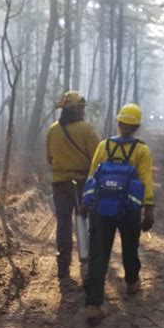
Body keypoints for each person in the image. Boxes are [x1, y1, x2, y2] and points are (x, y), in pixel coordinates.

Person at [81, 103, 155, 325]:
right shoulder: (142, 150)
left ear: (119, 123)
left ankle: (94, 305)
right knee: (130, 247)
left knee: (98, 254)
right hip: (129, 209)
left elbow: (92, 175)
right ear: (137, 126)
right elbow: (146, 181)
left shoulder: (104, 146)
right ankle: (132, 282)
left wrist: (86, 202)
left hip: (102, 208)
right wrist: (148, 208)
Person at [47, 91, 100, 280]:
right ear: (76, 110)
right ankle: (85, 264)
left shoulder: (53, 129)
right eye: (81, 107)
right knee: (82, 221)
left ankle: (63, 265)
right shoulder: (86, 130)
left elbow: (49, 158)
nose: (83, 111)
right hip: (82, 183)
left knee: (63, 223)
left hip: (59, 184)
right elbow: (98, 157)